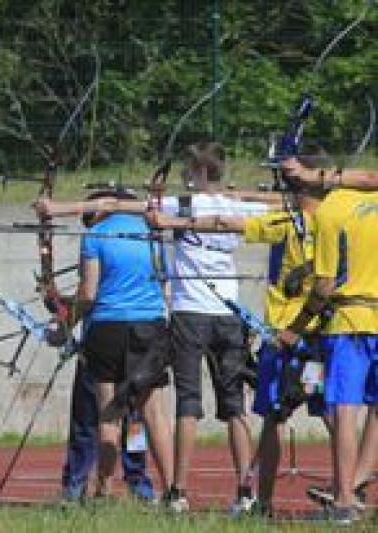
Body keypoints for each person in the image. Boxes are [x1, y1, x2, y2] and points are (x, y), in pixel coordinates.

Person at [37, 141, 270, 513]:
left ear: (198, 172)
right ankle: (231, 490)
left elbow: (91, 287)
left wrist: (54, 209)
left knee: (132, 410)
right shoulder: (218, 212)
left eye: (187, 170)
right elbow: (163, 282)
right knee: (206, 409)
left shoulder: (155, 215)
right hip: (195, 319)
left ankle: (128, 491)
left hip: (156, 320)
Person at [148, 147, 334, 516]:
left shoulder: (179, 204)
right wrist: (243, 195)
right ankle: (247, 492)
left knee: (189, 402)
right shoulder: (243, 206)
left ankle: (178, 492)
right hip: (230, 316)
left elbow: (126, 207)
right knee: (236, 406)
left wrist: (157, 209)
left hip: (191, 314)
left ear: (199, 171)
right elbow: (274, 204)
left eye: (188, 169)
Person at [46, 186, 175, 500]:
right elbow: (166, 290)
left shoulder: (96, 235)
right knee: (152, 415)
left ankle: (103, 489)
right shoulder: (152, 234)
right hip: (149, 325)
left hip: (107, 328)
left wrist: (65, 325)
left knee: (109, 414)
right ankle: (174, 490)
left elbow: (88, 293)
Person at [277, 157, 378, 524]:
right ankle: (355, 485)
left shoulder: (329, 213)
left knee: (345, 409)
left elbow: (324, 286)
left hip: (349, 321)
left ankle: (344, 500)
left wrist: (296, 327)